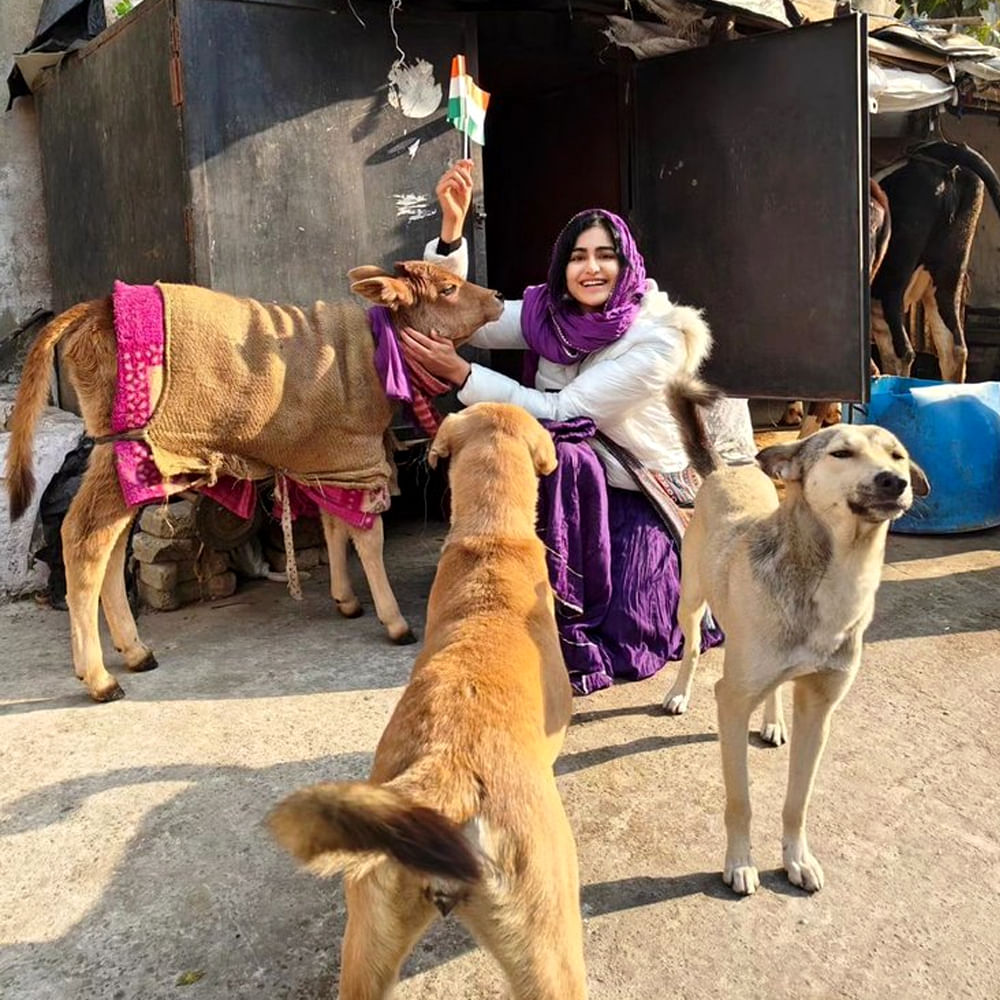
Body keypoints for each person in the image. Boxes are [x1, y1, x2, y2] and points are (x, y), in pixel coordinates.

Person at [400, 159, 755, 695]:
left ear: (626, 263)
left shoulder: (659, 338)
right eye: (578, 256)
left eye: (605, 256)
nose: (591, 269)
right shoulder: (550, 313)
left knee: (630, 633)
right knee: (561, 460)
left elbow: (567, 411)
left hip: (637, 489)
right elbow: (466, 314)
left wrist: (462, 375)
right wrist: (450, 235)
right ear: (562, 267)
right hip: (563, 482)